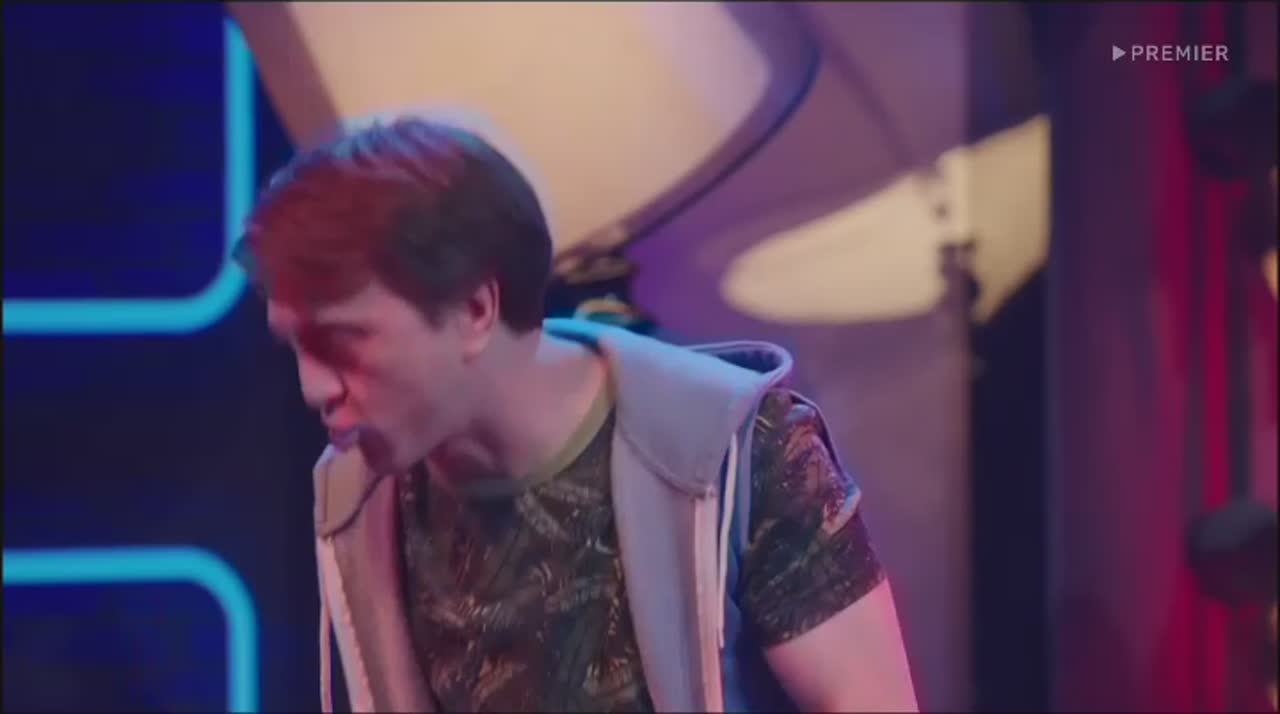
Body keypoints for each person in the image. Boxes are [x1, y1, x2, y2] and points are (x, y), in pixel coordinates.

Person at [235, 116, 918, 713]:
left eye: (342, 342)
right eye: (296, 347)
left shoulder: (738, 450)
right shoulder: (360, 497)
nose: (313, 388)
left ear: (474, 310)